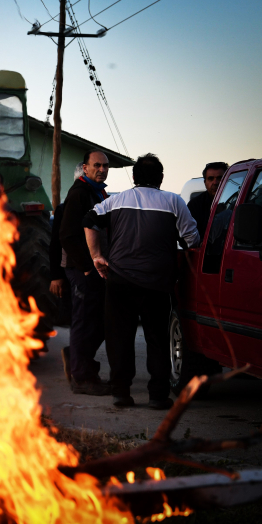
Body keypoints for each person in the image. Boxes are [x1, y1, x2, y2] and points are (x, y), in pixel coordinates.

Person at [83, 153, 199, 409]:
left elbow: (89, 220)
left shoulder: (116, 200)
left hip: (120, 281)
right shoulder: (174, 201)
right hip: (157, 283)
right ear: (161, 178)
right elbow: (192, 239)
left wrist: (97, 257)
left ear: (134, 177)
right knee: (157, 338)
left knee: (119, 337)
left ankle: (121, 393)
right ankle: (158, 396)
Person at [60, 151, 112, 395]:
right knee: (84, 322)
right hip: (82, 269)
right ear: (85, 167)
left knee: (98, 322)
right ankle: (81, 378)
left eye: (105, 166)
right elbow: (68, 235)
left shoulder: (98, 192)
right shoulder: (79, 193)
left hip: (94, 268)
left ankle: (79, 362)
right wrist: (86, 269)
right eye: (97, 165)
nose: (102, 169)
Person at [50, 163, 85, 378]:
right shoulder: (65, 208)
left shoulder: (101, 200)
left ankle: (77, 358)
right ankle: (75, 364)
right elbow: (56, 244)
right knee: (79, 320)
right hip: (75, 272)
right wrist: (56, 276)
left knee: (88, 321)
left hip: (92, 271)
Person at [187, 162, 228, 240]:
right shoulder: (195, 205)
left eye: (220, 178)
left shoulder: (238, 202)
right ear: (205, 182)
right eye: (210, 178)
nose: (215, 182)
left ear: (227, 180)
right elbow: (187, 234)